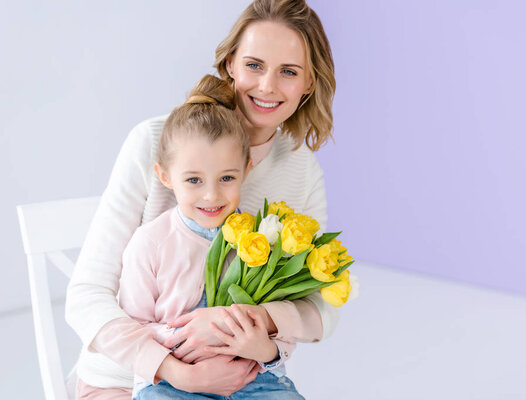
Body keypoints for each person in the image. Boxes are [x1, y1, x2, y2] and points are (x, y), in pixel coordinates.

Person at [66, 0, 338, 398]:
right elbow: (86, 296)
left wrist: (254, 320)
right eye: (254, 65)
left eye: (289, 72)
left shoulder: (301, 170)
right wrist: (174, 371)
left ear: (309, 83)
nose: (267, 86)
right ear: (230, 63)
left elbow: (319, 308)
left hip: (242, 378)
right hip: (128, 378)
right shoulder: (157, 144)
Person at [121, 74, 302, 399]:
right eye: (193, 180)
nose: (211, 195)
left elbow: (281, 322)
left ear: (246, 169)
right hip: (176, 379)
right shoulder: (151, 242)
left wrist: (268, 351)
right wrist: (177, 339)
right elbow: (132, 326)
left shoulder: (259, 239)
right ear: (164, 175)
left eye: (227, 178)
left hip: (253, 379)